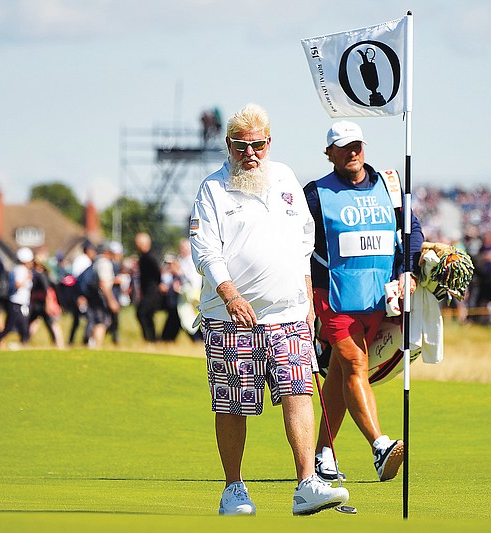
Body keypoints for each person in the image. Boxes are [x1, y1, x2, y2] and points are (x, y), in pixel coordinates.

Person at [189, 103, 348, 516]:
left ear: (269, 142)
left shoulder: (285, 179)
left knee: (299, 392)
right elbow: (205, 251)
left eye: (258, 144)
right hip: (230, 317)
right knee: (233, 403)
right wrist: (230, 295)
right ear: (229, 145)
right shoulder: (213, 189)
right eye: (241, 146)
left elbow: (304, 240)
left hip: (289, 312)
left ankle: (306, 484)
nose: (251, 153)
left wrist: (308, 295)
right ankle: (234, 488)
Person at [303, 120, 424, 483]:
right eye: (343, 147)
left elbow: (411, 230)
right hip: (334, 297)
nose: (352, 152)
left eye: (357, 144)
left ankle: (323, 454)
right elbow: (295, 242)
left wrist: (408, 269)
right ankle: (380, 446)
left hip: (378, 300)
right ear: (330, 154)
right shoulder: (315, 194)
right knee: (355, 364)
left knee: (341, 373)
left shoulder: (388, 185)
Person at [0, 247, 34, 347]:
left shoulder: (20, 269)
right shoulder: (20, 270)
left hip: (21, 303)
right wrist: (27, 279)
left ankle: (23, 344)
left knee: (22, 327)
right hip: (16, 302)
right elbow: (17, 284)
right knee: (11, 328)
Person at [86, 243, 121, 349]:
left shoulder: (97, 261)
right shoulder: (105, 263)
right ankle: (97, 347)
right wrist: (111, 301)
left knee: (97, 321)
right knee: (101, 322)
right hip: (101, 297)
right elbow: (104, 284)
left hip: (94, 296)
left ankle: (92, 345)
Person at [134, 232, 162, 343]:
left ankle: (151, 338)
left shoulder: (149, 257)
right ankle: (151, 338)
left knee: (142, 313)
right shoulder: (144, 257)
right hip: (147, 290)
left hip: (152, 290)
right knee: (147, 315)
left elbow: (157, 273)